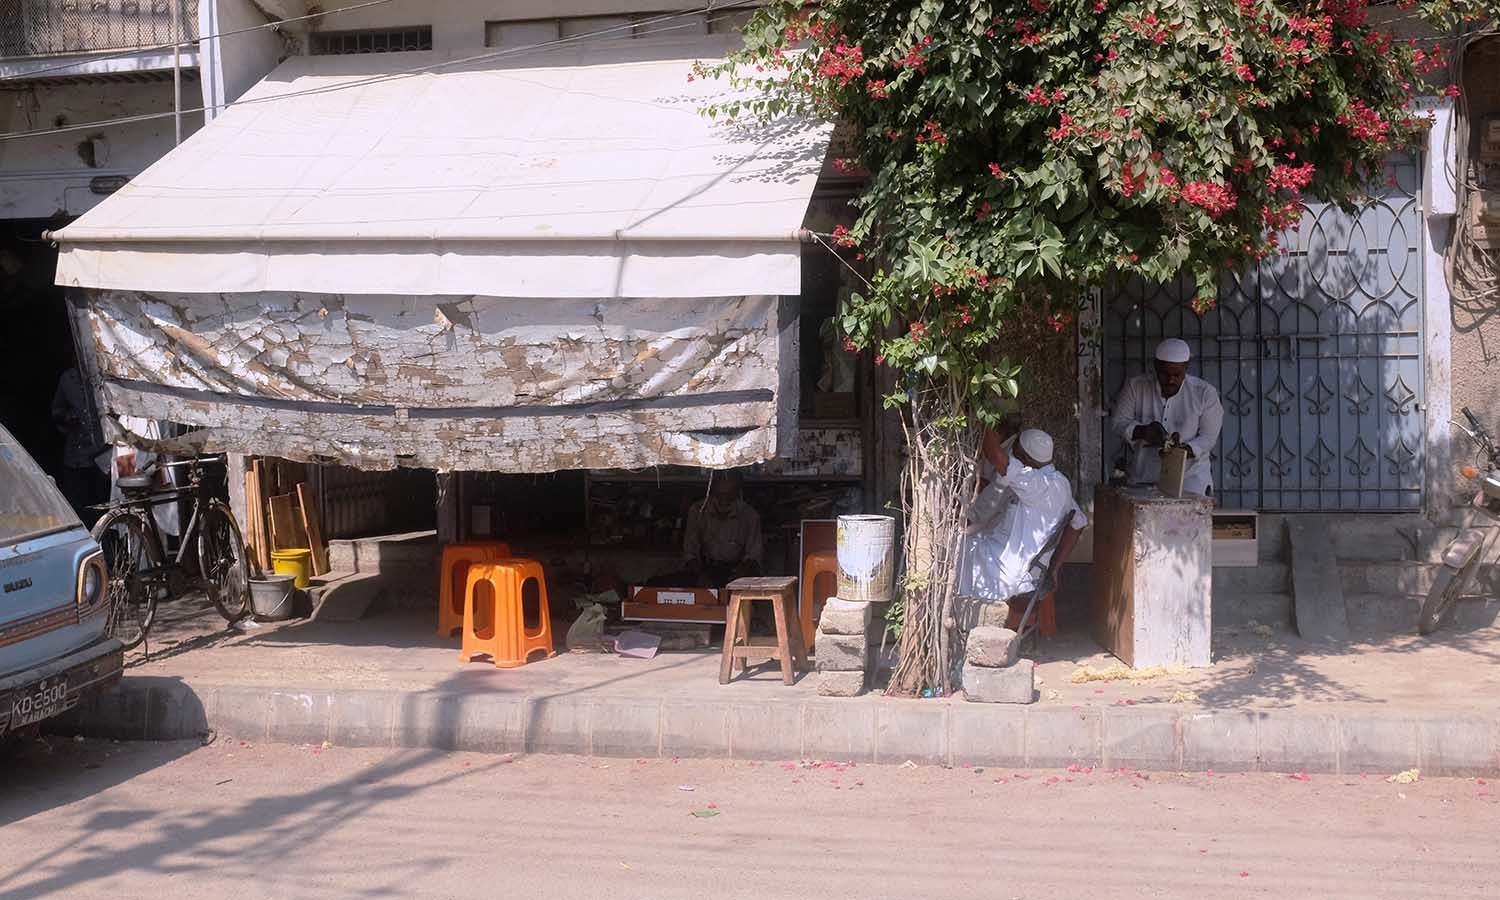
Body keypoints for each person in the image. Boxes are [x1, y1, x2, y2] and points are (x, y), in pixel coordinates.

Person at [959, 427, 1088, 621]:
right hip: (1030, 571)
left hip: (1008, 573)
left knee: (951, 546)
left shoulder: (1036, 483)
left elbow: (996, 456)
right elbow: (1079, 523)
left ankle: (958, 619)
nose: (1012, 456)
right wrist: (1054, 569)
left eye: (1015, 453)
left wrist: (983, 418)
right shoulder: (1060, 483)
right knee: (971, 537)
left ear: (1025, 459)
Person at [1110, 338, 1224, 496]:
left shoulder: (1205, 393)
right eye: (1165, 374)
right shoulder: (1135, 386)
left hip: (1191, 481)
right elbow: (1118, 422)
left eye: (1177, 375)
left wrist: (1182, 451)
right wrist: (1142, 431)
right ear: (1156, 366)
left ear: (1186, 367)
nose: (1171, 380)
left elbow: (1208, 437)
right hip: (1144, 477)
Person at [682, 471, 763, 587]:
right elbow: (690, 553)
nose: (723, 501)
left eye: (729, 496)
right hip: (705, 570)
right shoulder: (698, 511)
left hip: (737, 571)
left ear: (737, 492)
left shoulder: (749, 514)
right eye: (719, 495)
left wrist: (738, 575)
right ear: (711, 490)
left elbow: (754, 556)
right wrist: (701, 576)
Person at [50, 367, 108, 523]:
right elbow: (57, 410)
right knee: (81, 508)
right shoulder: (68, 378)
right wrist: (67, 418)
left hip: (104, 455)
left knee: (107, 507)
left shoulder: (105, 374)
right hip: (76, 456)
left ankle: (111, 542)